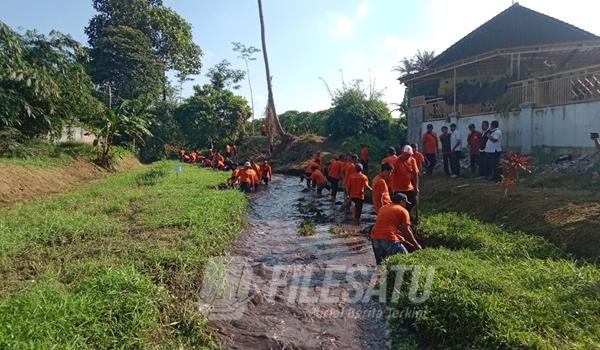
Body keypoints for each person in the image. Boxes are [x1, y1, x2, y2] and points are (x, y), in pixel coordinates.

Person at [370, 193, 422, 265]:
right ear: (402, 201)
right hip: (388, 238)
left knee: (381, 264)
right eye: (405, 203)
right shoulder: (403, 211)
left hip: (374, 237)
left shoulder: (383, 208)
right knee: (406, 259)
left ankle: (381, 275)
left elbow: (385, 225)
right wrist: (416, 245)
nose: (406, 205)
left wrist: (398, 236)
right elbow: (406, 230)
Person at [391, 145, 420, 213]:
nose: (408, 156)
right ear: (402, 153)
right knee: (398, 206)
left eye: (409, 155)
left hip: (409, 188)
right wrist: (391, 188)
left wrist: (416, 187)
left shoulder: (412, 160)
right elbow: (391, 175)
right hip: (398, 189)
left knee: (412, 202)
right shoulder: (396, 161)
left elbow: (415, 174)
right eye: (406, 155)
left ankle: (407, 215)